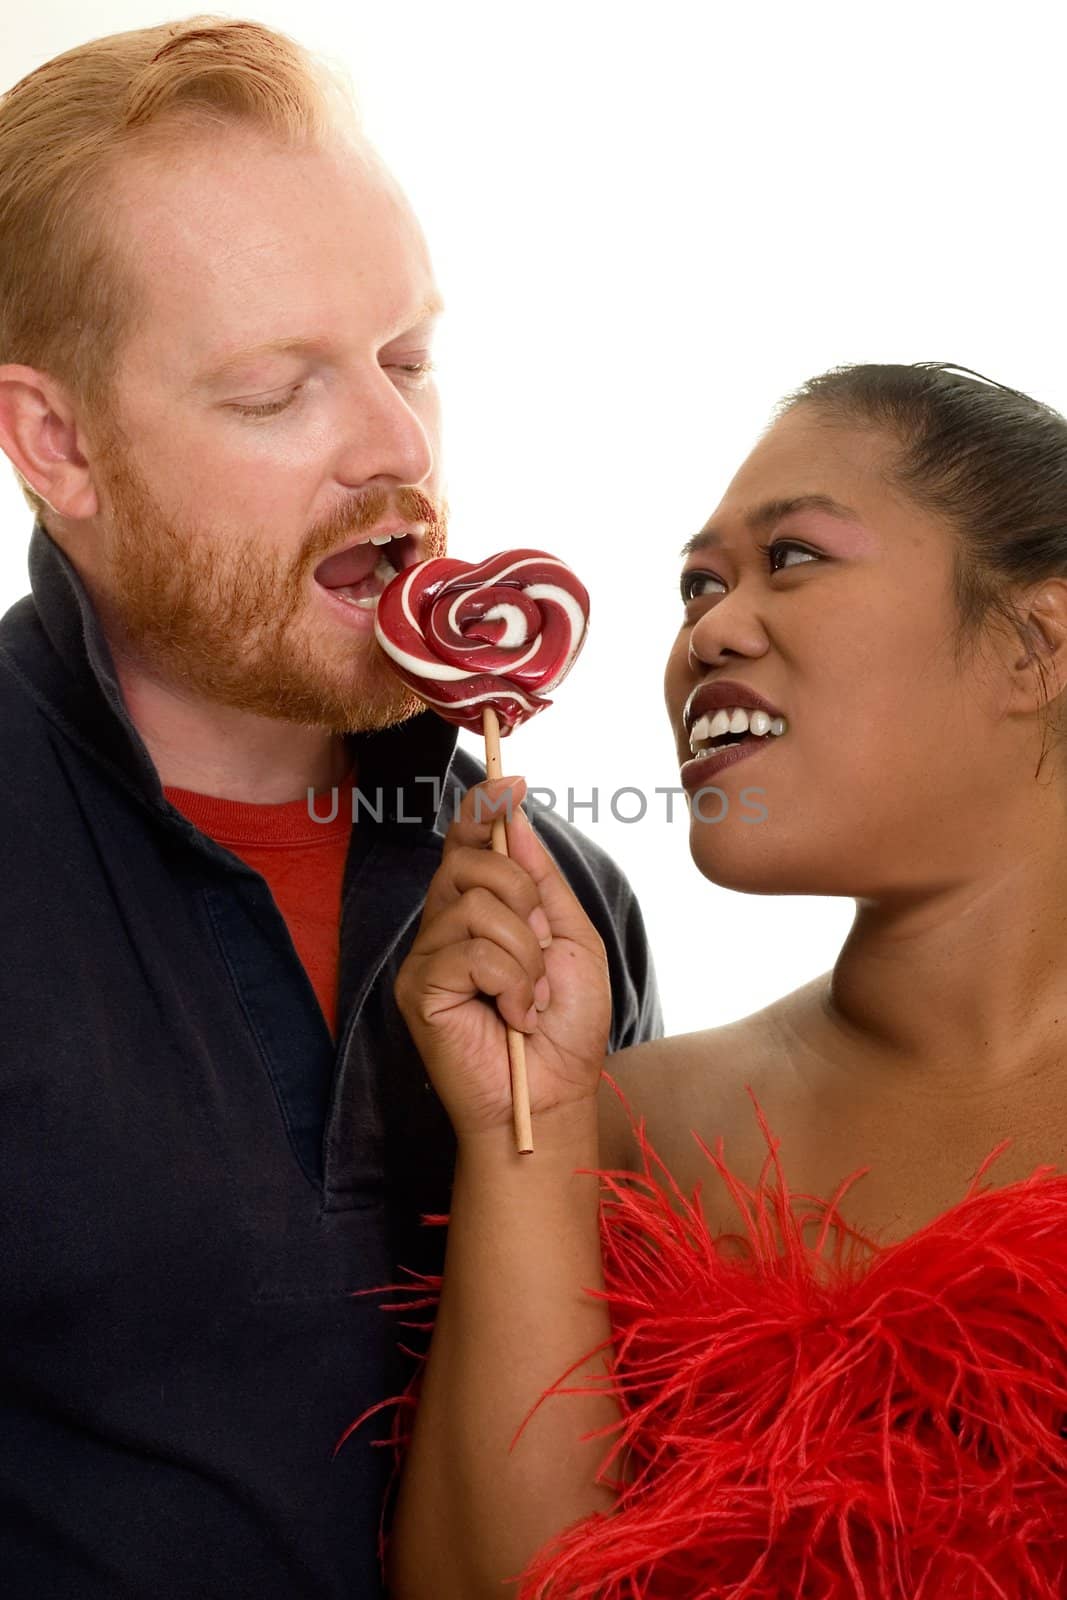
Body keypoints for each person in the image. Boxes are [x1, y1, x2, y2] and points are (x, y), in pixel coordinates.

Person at [0, 17, 661, 1598]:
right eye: (274, 390)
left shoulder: (559, 899)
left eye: (407, 358)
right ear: (57, 442)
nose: (395, 449)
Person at [389, 362, 1067, 1599]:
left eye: (791, 558)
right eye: (698, 584)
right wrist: (517, 1137)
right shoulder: (609, 1124)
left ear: (1034, 645)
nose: (707, 628)